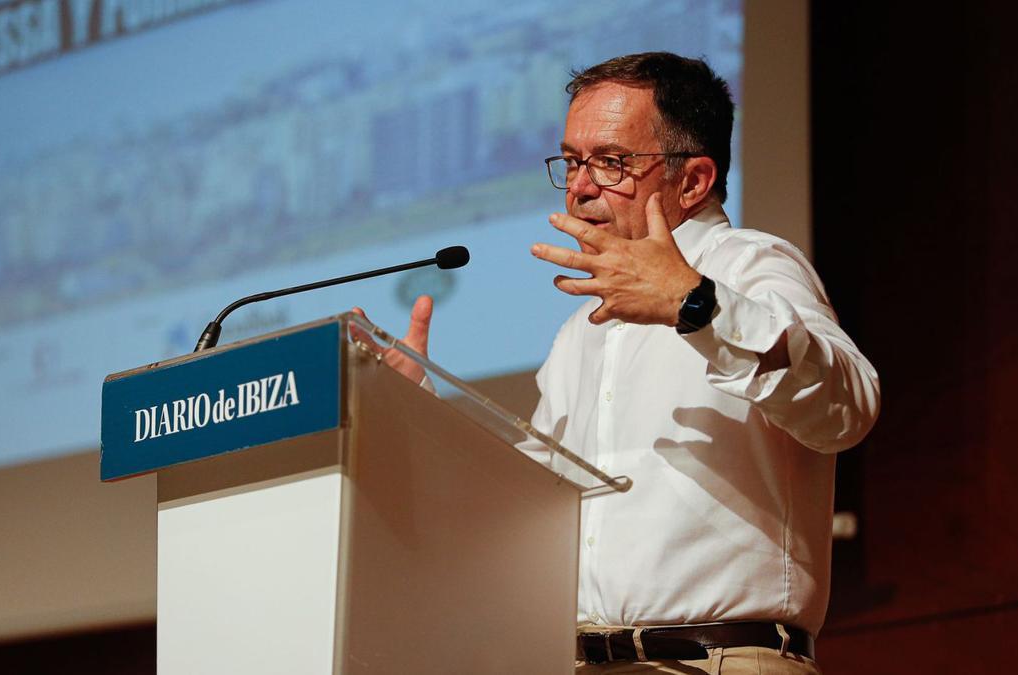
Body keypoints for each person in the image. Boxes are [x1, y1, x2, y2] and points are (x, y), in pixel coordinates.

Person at [373, 52, 879, 674]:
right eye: (573, 161)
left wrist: (697, 305)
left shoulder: (750, 266)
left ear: (692, 181)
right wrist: (415, 418)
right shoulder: (576, 336)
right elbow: (527, 506)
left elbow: (846, 408)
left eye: (611, 163)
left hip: (719, 661)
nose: (581, 185)